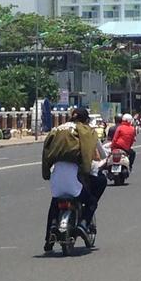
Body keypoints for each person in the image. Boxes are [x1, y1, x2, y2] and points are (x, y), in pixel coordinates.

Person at [41, 107, 104, 251]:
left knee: (54, 205)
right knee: (91, 202)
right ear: (86, 119)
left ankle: (48, 239)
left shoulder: (57, 129)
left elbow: (45, 153)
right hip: (74, 178)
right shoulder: (85, 131)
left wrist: (46, 173)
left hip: (56, 177)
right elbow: (88, 153)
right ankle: (82, 225)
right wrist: (87, 170)